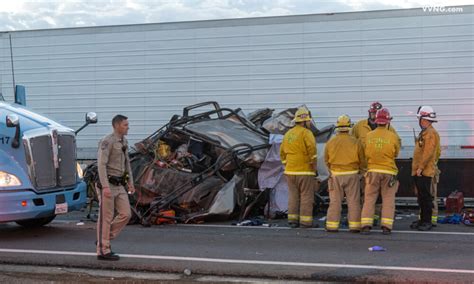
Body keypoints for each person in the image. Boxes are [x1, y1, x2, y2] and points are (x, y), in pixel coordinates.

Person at [352, 102, 400, 226]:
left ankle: (369, 222)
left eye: (375, 113)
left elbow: (366, 151)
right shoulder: (359, 126)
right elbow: (396, 151)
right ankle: (384, 225)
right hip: (375, 169)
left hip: (372, 170)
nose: (373, 115)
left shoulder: (370, 135)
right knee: (383, 199)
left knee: (371, 198)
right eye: (372, 112)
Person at [96, 114, 135, 260]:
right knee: (106, 218)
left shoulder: (124, 141)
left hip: (120, 185)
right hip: (108, 184)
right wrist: (105, 187)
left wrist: (130, 182)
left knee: (126, 214)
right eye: (125, 125)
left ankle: (103, 239)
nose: (128, 127)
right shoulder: (107, 141)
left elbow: (127, 164)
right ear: (117, 125)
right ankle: (103, 250)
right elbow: (101, 164)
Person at [324, 115, 364, 232]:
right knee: (353, 201)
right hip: (352, 174)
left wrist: (331, 171)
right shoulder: (356, 142)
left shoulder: (331, 142)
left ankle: (332, 225)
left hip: (336, 175)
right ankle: (355, 226)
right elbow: (362, 160)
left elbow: (326, 160)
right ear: (349, 127)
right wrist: (360, 173)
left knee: (335, 201)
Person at [280, 107, 318, 228]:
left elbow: (282, 153)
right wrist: (314, 167)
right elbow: (312, 150)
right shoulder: (306, 133)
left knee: (293, 196)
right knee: (306, 196)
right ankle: (305, 222)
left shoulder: (288, 134)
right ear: (305, 121)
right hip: (305, 170)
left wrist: (287, 164)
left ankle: (292, 220)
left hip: (290, 171)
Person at [410, 106, 440, 231]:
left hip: (424, 172)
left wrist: (420, 168)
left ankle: (427, 221)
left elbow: (428, 152)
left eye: (420, 119)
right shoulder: (425, 132)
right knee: (421, 197)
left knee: (426, 197)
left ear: (423, 119)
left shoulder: (431, 134)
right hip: (420, 171)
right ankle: (422, 220)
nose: (420, 121)